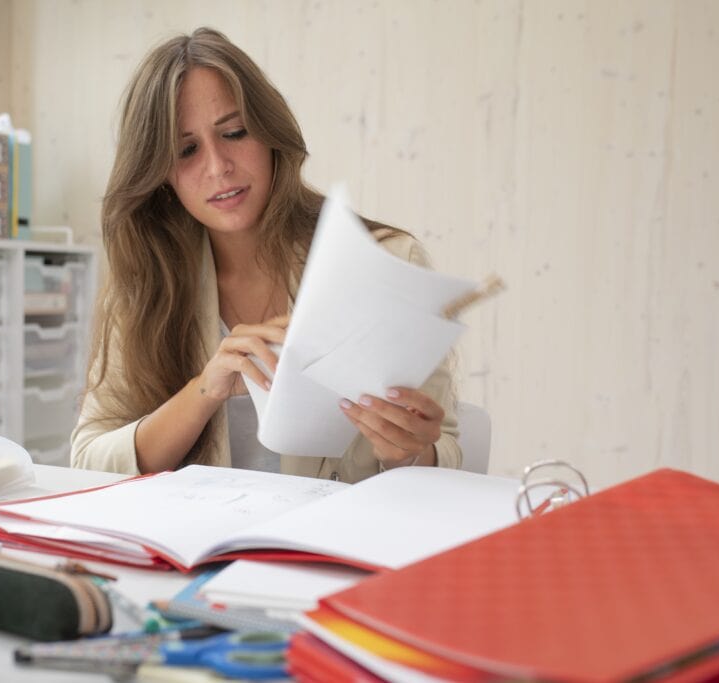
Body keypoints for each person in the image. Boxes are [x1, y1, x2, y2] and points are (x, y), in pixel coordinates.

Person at [71, 27, 461, 483]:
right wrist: (205, 390)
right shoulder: (145, 285)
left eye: (235, 132)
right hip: (198, 549)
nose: (218, 167)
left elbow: (450, 452)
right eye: (187, 150)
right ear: (160, 173)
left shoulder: (388, 263)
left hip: (339, 545)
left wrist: (409, 452)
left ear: (270, 135)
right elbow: (88, 460)